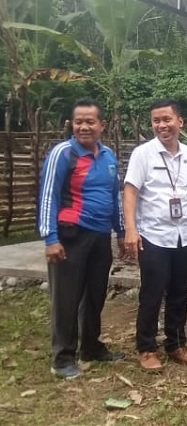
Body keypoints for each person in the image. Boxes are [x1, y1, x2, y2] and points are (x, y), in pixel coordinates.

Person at [38, 98, 126, 379]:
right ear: (72, 124)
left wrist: (121, 232)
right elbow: (48, 196)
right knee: (66, 298)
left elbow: (115, 197)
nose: (84, 127)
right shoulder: (63, 154)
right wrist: (50, 239)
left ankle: (91, 347)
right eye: (79, 122)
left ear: (102, 125)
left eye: (90, 121)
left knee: (95, 295)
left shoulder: (109, 156)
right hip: (70, 235)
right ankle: (62, 357)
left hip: (101, 237)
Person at [123, 99, 187, 371]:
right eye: (156, 120)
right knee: (152, 293)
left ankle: (176, 344)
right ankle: (146, 348)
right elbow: (130, 191)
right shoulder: (143, 154)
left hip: (184, 235)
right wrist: (130, 230)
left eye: (166, 119)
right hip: (153, 236)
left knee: (180, 292)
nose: (161, 125)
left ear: (180, 122)